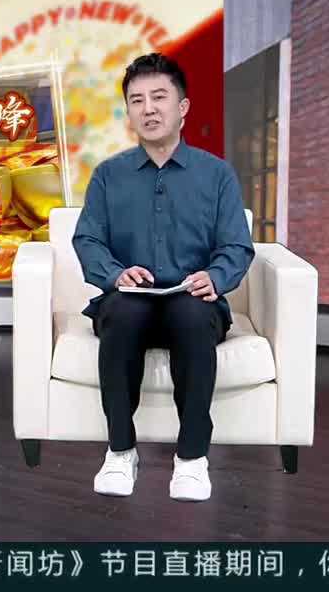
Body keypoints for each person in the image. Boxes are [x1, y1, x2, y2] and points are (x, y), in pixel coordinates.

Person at [72, 53, 254, 502]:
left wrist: (215, 277)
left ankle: (191, 459)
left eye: (159, 97)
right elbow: (88, 239)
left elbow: (236, 245)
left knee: (191, 316)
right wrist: (116, 274)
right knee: (122, 314)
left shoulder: (217, 175)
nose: (148, 109)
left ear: (183, 106)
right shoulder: (108, 175)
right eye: (137, 100)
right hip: (129, 299)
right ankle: (120, 451)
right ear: (128, 111)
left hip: (192, 299)